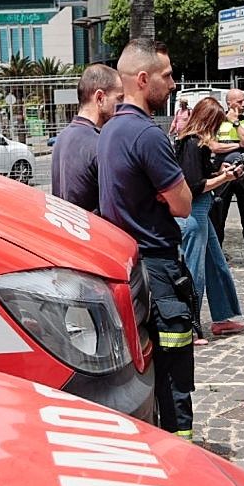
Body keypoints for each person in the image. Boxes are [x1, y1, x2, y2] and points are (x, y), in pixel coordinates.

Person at [99, 40, 197, 439]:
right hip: (158, 271)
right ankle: (182, 460)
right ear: (143, 79)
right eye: (167, 75)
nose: (172, 84)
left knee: (144, 373)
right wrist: (168, 194)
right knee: (175, 377)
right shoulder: (148, 136)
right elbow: (184, 204)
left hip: (126, 267)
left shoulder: (109, 132)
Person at [172, 96, 244, 337]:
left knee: (216, 265)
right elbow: (195, 185)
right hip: (194, 214)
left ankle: (222, 317)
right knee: (194, 271)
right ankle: (188, 326)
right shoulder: (194, 144)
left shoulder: (192, 142)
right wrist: (224, 178)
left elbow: (197, 177)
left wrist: (220, 172)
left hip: (199, 211)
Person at [50, 63, 122, 213]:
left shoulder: (62, 137)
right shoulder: (99, 144)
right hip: (93, 233)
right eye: (119, 99)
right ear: (100, 98)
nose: (122, 106)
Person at [210, 88, 244, 271]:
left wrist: (236, 123)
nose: (243, 104)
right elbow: (213, 146)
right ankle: (217, 255)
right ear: (229, 103)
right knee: (218, 215)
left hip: (243, 173)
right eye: (239, 101)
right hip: (222, 174)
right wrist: (236, 145)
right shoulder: (217, 122)